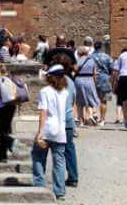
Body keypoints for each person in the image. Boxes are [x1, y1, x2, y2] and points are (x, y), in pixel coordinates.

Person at [32, 64, 69, 201]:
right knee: (59, 161)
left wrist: (39, 132)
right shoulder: (65, 91)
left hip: (48, 128)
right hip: (60, 130)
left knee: (38, 156)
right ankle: (60, 191)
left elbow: (43, 112)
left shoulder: (45, 91)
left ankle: (39, 185)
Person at [54, 54, 78, 188]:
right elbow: (73, 101)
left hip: (56, 120)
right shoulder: (71, 82)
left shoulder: (54, 82)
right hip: (68, 119)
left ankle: (43, 178)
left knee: (52, 151)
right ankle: (73, 177)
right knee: (69, 148)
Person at [0, 62, 17, 163]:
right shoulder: (9, 76)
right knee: (4, 131)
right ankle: (3, 157)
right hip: (12, 105)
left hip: (2, 106)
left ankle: (11, 141)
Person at [74, 46, 101, 126]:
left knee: (79, 101)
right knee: (90, 99)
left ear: (79, 53)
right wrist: (94, 82)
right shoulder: (92, 60)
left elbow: (75, 69)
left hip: (79, 79)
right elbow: (95, 73)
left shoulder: (78, 60)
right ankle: (90, 115)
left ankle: (81, 120)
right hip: (89, 80)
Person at [90, 41, 113, 126]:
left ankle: (94, 114)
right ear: (101, 47)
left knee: (92, 99)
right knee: (104, 101)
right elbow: (111, 68)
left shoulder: (90, 56)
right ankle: (102, 119)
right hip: (105, 79)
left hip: (93, 78)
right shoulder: (106, 56)